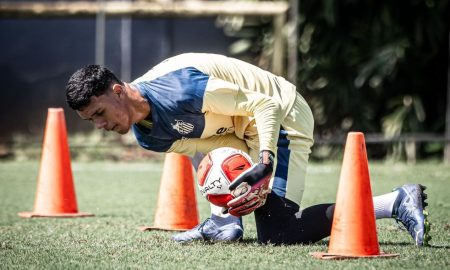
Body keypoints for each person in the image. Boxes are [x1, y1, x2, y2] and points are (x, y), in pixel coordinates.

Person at [66, 53, 430, 246]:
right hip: (248, 133)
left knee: (280, 232)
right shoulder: (147, 136)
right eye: (91, 121)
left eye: (99, 113)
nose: (100, 126)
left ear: (117, 91)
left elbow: (265, 106)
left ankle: (396, 200)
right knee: (259, 218)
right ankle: (222, 226)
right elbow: (215, 154)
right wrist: (229, 204)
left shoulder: (179, 88)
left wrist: (265, 163)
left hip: (283, 113)